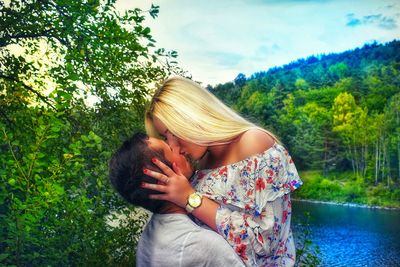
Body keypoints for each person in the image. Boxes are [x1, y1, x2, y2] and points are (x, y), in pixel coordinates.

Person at [142, 76, 303, 266]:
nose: (173, 147)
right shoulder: (201, 162)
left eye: (174, 132)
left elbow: (265, 245)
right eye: (165, 137)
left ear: (193, 115)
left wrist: (191, 199)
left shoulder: (254, 144)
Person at [109, 132, 245, 267]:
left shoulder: (146, 240)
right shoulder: (203, 245)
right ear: (164, 182)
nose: (177, 148)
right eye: (169, 148)